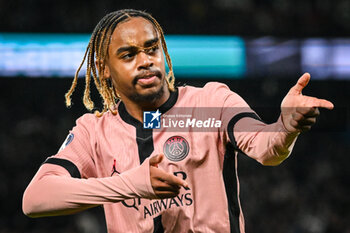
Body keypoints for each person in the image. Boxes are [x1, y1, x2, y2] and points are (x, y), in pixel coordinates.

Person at [22, 9, 334, 233]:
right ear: (104, 69)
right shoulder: (93, 132)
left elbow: (268, 148)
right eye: (129, 55)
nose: (145, 61)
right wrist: (130, 184)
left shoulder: (210, 104)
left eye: (151, 48)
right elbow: (35, 199)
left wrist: (285, 127)